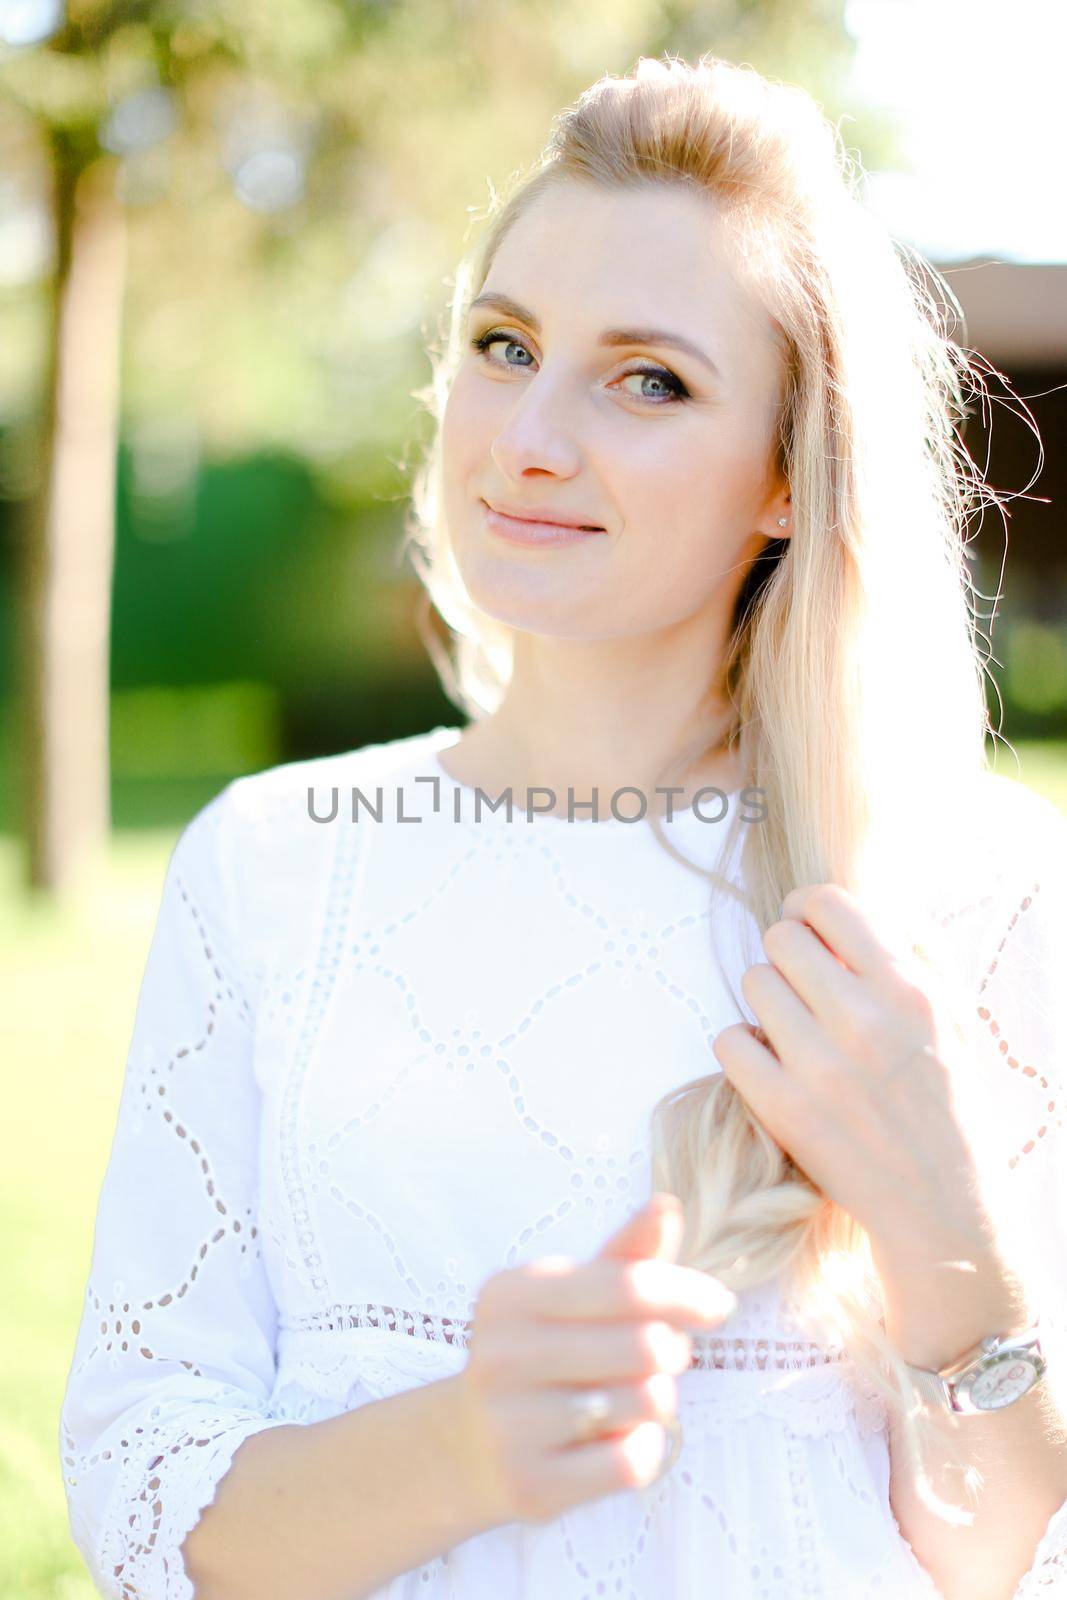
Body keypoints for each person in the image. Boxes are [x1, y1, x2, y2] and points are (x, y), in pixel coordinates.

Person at [59, 52, 1067, 1600]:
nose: (530, 434)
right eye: (504, 344)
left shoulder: (979, 888)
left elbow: (1005, 1556)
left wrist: (950, 1242)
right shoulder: (274, 865)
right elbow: (142, 1500)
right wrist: (469, 1441)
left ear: (788, 480)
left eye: (648, 378)